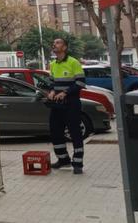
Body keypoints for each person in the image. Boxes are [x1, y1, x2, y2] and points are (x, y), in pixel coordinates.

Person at [47, 37, 86, 174]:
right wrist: (51, 91)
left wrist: (65, 93)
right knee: (55, 132)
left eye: (58, 43)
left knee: (75, 133)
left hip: (72, 104)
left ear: (64, 47)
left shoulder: (73, 62)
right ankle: (63, 160)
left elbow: (80, 83)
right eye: (54, 43)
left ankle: (78, 164)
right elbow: (51, 82)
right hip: (57, 105)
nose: (54, 45)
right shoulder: (52, 64)